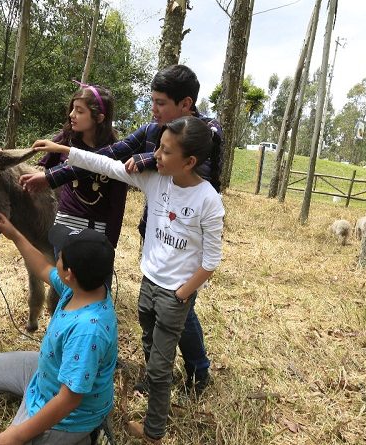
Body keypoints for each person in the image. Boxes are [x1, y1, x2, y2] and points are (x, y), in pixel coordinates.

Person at [21, 65, 220, 396]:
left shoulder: (207, 133)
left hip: (188, 240)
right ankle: (159, 374)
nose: (153, 110)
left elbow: (200, 173)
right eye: (152, 102)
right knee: (152, 315)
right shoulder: (151, 129)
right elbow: (106, 159)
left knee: (181, 311)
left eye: (160, 103)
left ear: (185, 104)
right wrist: (60, 159)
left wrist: (148, 160)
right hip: (158, 234)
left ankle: (198, 370)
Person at [32, 115, 225, 443]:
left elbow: (211, 259)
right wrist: (65, 149)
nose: (156, 156)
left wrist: (183, 293)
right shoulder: (157, 180)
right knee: (149, 342)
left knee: (160, 368)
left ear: (189, 161)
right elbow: (106, 165)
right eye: (158, 148)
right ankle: (153, 388)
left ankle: (153, 432)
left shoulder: (208, 200)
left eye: (165, 152)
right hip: (149, 282)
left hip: (175, 293)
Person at [0, 218, 118, 445]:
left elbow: (69, 400)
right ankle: (34, 404)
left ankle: (85, 434)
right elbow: (42, 267)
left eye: (60, 257)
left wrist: (18, 434)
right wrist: (14, 233)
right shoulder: (81, 287)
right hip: (47, 374)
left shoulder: (88, 330)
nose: (56, 260)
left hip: (71, 415)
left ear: (69, 273)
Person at [36, 83, 126, 249]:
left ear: (99, 118)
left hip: (95, 235)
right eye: (72, 108)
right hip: (62, 230)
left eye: (79, 110)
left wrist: (110, 245)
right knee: (63, 276)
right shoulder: (66, 138)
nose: (72, 115)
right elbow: (42, 171)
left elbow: (117, 204)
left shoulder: (115, 151)